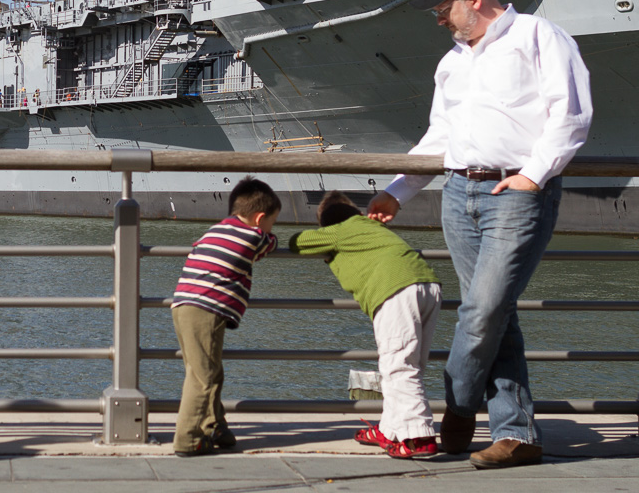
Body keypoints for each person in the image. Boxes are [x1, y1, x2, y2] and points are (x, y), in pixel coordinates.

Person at [367, 0, 592, 470]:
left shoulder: (539, 35)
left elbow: (572, 112)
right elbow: (439, 138)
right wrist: (397, 191)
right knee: (495, 315)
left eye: (443, 8)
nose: (438, 19)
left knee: (483, 311)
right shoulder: (451, 62)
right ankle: (517, 434)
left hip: (515, 192)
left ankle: (460, 404)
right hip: (458, 193)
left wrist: (535, 174)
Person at [289, 191, 442, 460]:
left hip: (394, 289)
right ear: (358, 213)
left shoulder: (338, 231)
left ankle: (419, 437)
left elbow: (296, 243)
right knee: (405, 365)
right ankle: (390, 430)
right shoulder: (370, 226)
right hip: (427, 286)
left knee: (398, 367)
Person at [171, 177, 280, 457]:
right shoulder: (255, 236)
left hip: (184, 304)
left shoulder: (216, 229)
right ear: (259, 218)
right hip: (207, 309)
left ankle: (215, 425)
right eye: (272, 221)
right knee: (203, 378)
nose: (272, 228)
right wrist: (271, 236)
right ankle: (188, 438)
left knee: (207, 370)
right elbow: (269, 244)